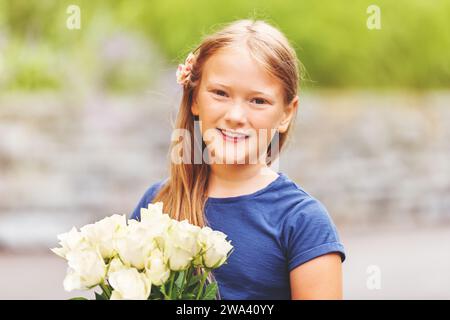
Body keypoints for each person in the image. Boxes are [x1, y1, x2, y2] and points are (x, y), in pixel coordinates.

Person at [130, 19, 346, 300]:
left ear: (286, 114)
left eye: (258, 101)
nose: (235, 115)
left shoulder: (303, 222)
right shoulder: (157, 202)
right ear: (194, 98)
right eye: (220, 93)